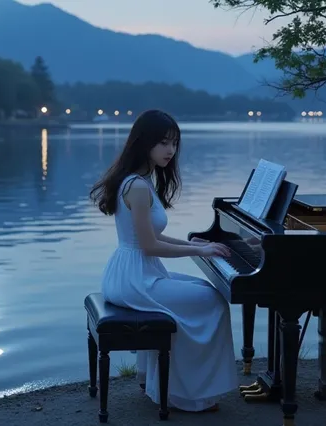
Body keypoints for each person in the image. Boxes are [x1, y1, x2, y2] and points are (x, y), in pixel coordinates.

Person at [88, 109, 238, 413]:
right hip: (135, 279)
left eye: (174, 143)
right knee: (214, 300)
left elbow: (149, 236)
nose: (170, 150)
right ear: (144, 143)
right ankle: (187, 393)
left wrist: (193, 243)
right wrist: (201, 252)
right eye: (163, 143)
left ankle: (158, 381)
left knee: (203, 290)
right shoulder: (139, 187)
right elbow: (150, 246)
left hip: (131, 272)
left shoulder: (137, 181)